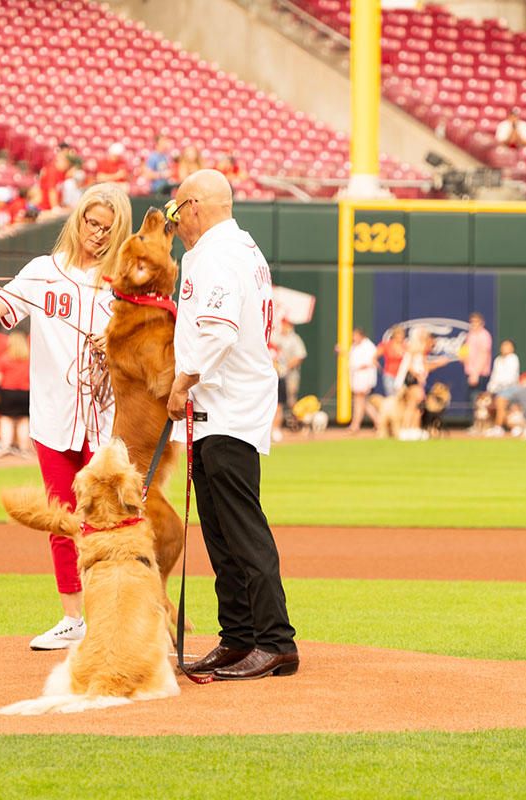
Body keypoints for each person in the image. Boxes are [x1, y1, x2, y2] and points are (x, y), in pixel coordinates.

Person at [0, 181, 130, 650]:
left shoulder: (125, 279)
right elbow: (0, 309)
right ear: (77, 221)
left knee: (110, 519)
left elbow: (147, 339)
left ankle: (111, 615)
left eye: (107, 228)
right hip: (53, 413)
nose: (96, 233)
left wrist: (114, 342)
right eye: (91, 223)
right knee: (60, 517)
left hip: (106, 417)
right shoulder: (43, 270)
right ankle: (72, 618)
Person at [162, 169, 297, 680]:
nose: (174, 221)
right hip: (217, 408)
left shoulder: (220, 252)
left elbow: (217, 332)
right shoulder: (235, 249)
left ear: (195, 205)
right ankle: (238, 637)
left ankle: (275, 641)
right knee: (219, 529)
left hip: (227, 407)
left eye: (176, 210)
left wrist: (181, 384)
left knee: (240, 528)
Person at [0, 331, 32, 458]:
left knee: (6, 419)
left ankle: (6, 446)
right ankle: (24, 449)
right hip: (25, 393)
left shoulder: (5, 357)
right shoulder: (29, 358)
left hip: (8, 393)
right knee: (23, 421)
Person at [270, 318, 306, 440]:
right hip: (278, 375)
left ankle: (298, 424)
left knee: (291, 401)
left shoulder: (294, 339)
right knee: (278, 403)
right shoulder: (278, 337)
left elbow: (300, 356)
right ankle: (287, 425)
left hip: (291, 374)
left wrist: (287, 366)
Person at [346, 327, 380, 432]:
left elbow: (370, 363)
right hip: (356, 377)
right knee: (360, 402)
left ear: (362, 335)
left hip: (365, 377)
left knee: (360, 401)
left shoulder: (369, 346)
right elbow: (350, 357)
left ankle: (356, 425)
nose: (353, 338)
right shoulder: (355, 346)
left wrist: (356, 367)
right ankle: (378, 422)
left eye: (355, 336)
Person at [486, 339, 520, 437]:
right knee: (503, 408)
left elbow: (511, 376)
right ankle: (508, 427)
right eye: (503, 345)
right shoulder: (498, 360)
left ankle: (502, 427)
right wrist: (491, 388)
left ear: (512, 348)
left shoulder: (513, 358)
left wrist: (497, 386)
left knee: (507, 407)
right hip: (499, 389)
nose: (504, 348)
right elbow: (494, 375)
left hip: (511, 387)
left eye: (507, 346)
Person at [462, 312, 492, 404]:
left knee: (478, 400)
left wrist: (475, 374)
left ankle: (479, 419)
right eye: (472, 322)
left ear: (482, 323)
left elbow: (483, 355)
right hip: (470, 372)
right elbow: (465, 351)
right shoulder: (470, 334)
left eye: (476, 322)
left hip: (479, 374)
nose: (474, 324)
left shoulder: (484, 335)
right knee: (471, 401)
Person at [375, 326, 407, 396]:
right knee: (391, 396)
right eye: (399, 334)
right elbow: (374, 357)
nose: (401, 336)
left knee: (401, 397)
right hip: (390, 375)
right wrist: (381, 370)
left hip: (402, 376)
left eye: (402, 335)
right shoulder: (386, 345)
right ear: (394, 335)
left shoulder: (406, 346)